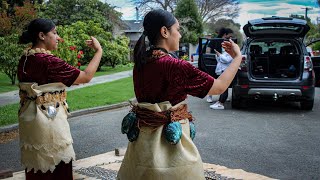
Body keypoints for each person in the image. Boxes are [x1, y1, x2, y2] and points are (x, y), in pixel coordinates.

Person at [117, 9, 241, 179]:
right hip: (170, 150)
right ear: (164, 32)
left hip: (142, 146)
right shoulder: (175, 66)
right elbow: (219, 87)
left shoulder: (142, 62)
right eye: (178, 29)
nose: (180, 35)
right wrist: (237, 58)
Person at [17, 18, 102, 179]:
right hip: (49, 123)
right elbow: (86, 76)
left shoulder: (25, 59)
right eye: (54, 33)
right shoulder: (48, 61)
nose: (58, 37)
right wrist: (99, 51)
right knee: (57, 167)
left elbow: (46, 82)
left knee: (37, 168)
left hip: (31, 125)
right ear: (42, 35)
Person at [206, 28, 234, 110]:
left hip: (220, 63)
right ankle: (210, 96)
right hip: (215, 62)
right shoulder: (216, 40)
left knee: (220, 81)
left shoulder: (227, 42)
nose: (231, 38)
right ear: (225, 34)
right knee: (213, 80)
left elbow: (207, 51)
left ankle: (221, 97)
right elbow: (208, 51)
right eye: (230, 36)